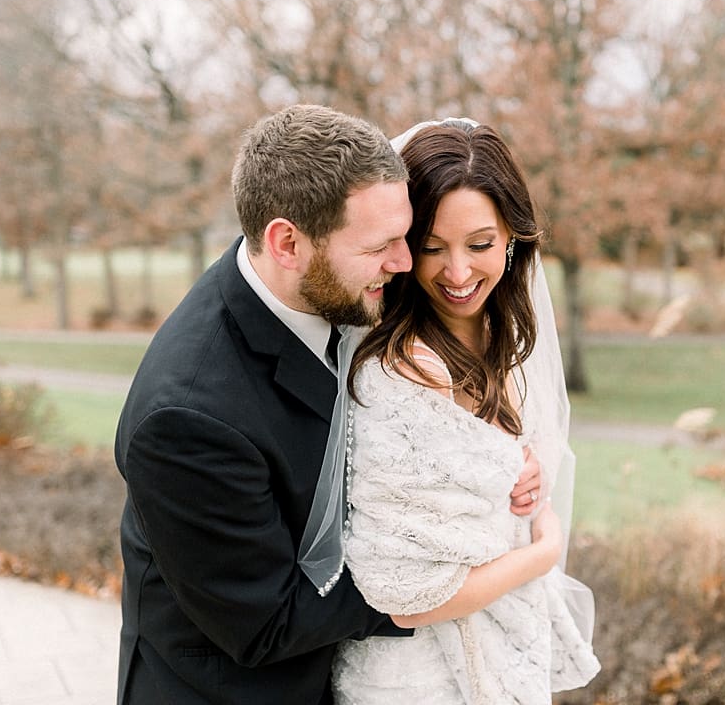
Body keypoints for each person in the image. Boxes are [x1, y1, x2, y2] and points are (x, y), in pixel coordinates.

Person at [113, 104, 542, 704]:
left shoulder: (323, 291)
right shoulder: (188, 417)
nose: (402, 265)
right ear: (287, 242)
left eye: (404, 239)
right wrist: (445, 585)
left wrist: (492, 466)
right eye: (382, 246)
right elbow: (266, 623)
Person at [299, 118, 600, 703]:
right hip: (420, 678)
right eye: (430, 248)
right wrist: (541, 552)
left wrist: (519, 469)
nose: (458, 274)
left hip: (490, 659)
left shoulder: (503, 335)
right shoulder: (404, 369)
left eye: (480, 245)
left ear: (513, 237)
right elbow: (405, 593)